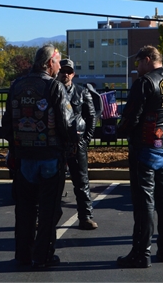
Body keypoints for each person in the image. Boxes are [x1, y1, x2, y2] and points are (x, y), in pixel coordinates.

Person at [2, 44, 74, 268]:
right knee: (48, 210)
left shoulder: (16, 85)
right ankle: (42, 256)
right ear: (49, 62)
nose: (59, 66)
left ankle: (23, 255)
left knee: (24, 210)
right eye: (58, 62)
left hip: (24, 157)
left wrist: (15, 148)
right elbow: (67, 123)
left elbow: (7, 123)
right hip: (50, 156)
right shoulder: (54, 86)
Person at [116, 45, 163, 268]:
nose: (137, 68)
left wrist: (119, 130)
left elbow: (131, 115)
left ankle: (141, 253)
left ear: (147, 59)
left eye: (138, 63)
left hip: (145, 147)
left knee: (144, 201)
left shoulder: (145, 82)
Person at [56, 58, 98, 230]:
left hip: (77, 144)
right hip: (57, 144)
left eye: (68, 71)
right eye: (62, 71)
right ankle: (47, 219)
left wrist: (86, 140)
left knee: (81, 182)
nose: (65, 74)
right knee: (53, 184)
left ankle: (85, 217)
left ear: (73, 74)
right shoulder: (53, 92)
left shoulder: (82, 92)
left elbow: (91, 117)